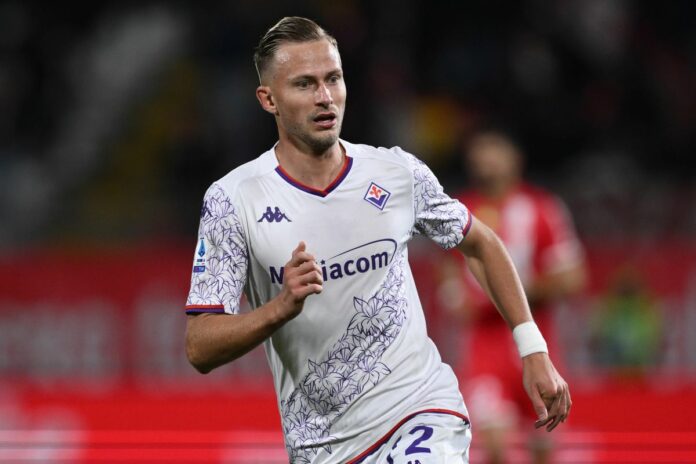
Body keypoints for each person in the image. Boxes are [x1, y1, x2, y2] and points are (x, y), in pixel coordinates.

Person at [184, 17, 570, 464]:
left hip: (420, 408)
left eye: (333, 79)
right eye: (305, 84)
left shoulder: (395, 173)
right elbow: (200, 345)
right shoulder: (234, 199)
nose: (325, 97)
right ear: (268, 99)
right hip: (321, 446)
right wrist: (279, 308)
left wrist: (532, 348)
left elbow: (481, 244)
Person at [446, 131, 586, 464]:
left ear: (515, 158)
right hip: (485, 352)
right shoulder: (459, 210)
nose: (487, 158)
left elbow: (573, 276)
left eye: (495, 148)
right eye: (480, 150)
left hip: (539, 347)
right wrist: (454, 297)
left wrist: (509, 292)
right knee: (496, 448)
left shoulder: (542, 208)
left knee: (544, 449)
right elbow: (448, 277)